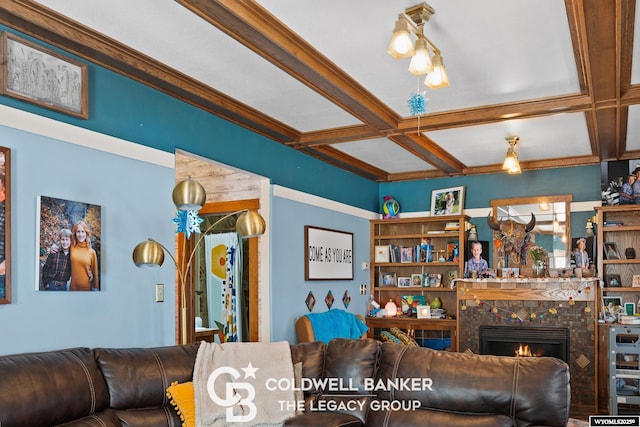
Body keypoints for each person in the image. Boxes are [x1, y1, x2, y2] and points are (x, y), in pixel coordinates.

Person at [69, 220, 99, 291]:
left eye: (83, 231)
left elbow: (95, 273)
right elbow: (62, 247)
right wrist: (54, 247)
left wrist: (96, 289)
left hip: (87, 288)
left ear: (86, 233)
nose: (80, 234)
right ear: (75, 233)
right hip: (73, 288)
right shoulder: (72, 247)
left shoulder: (91, 252)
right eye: (78, 232)